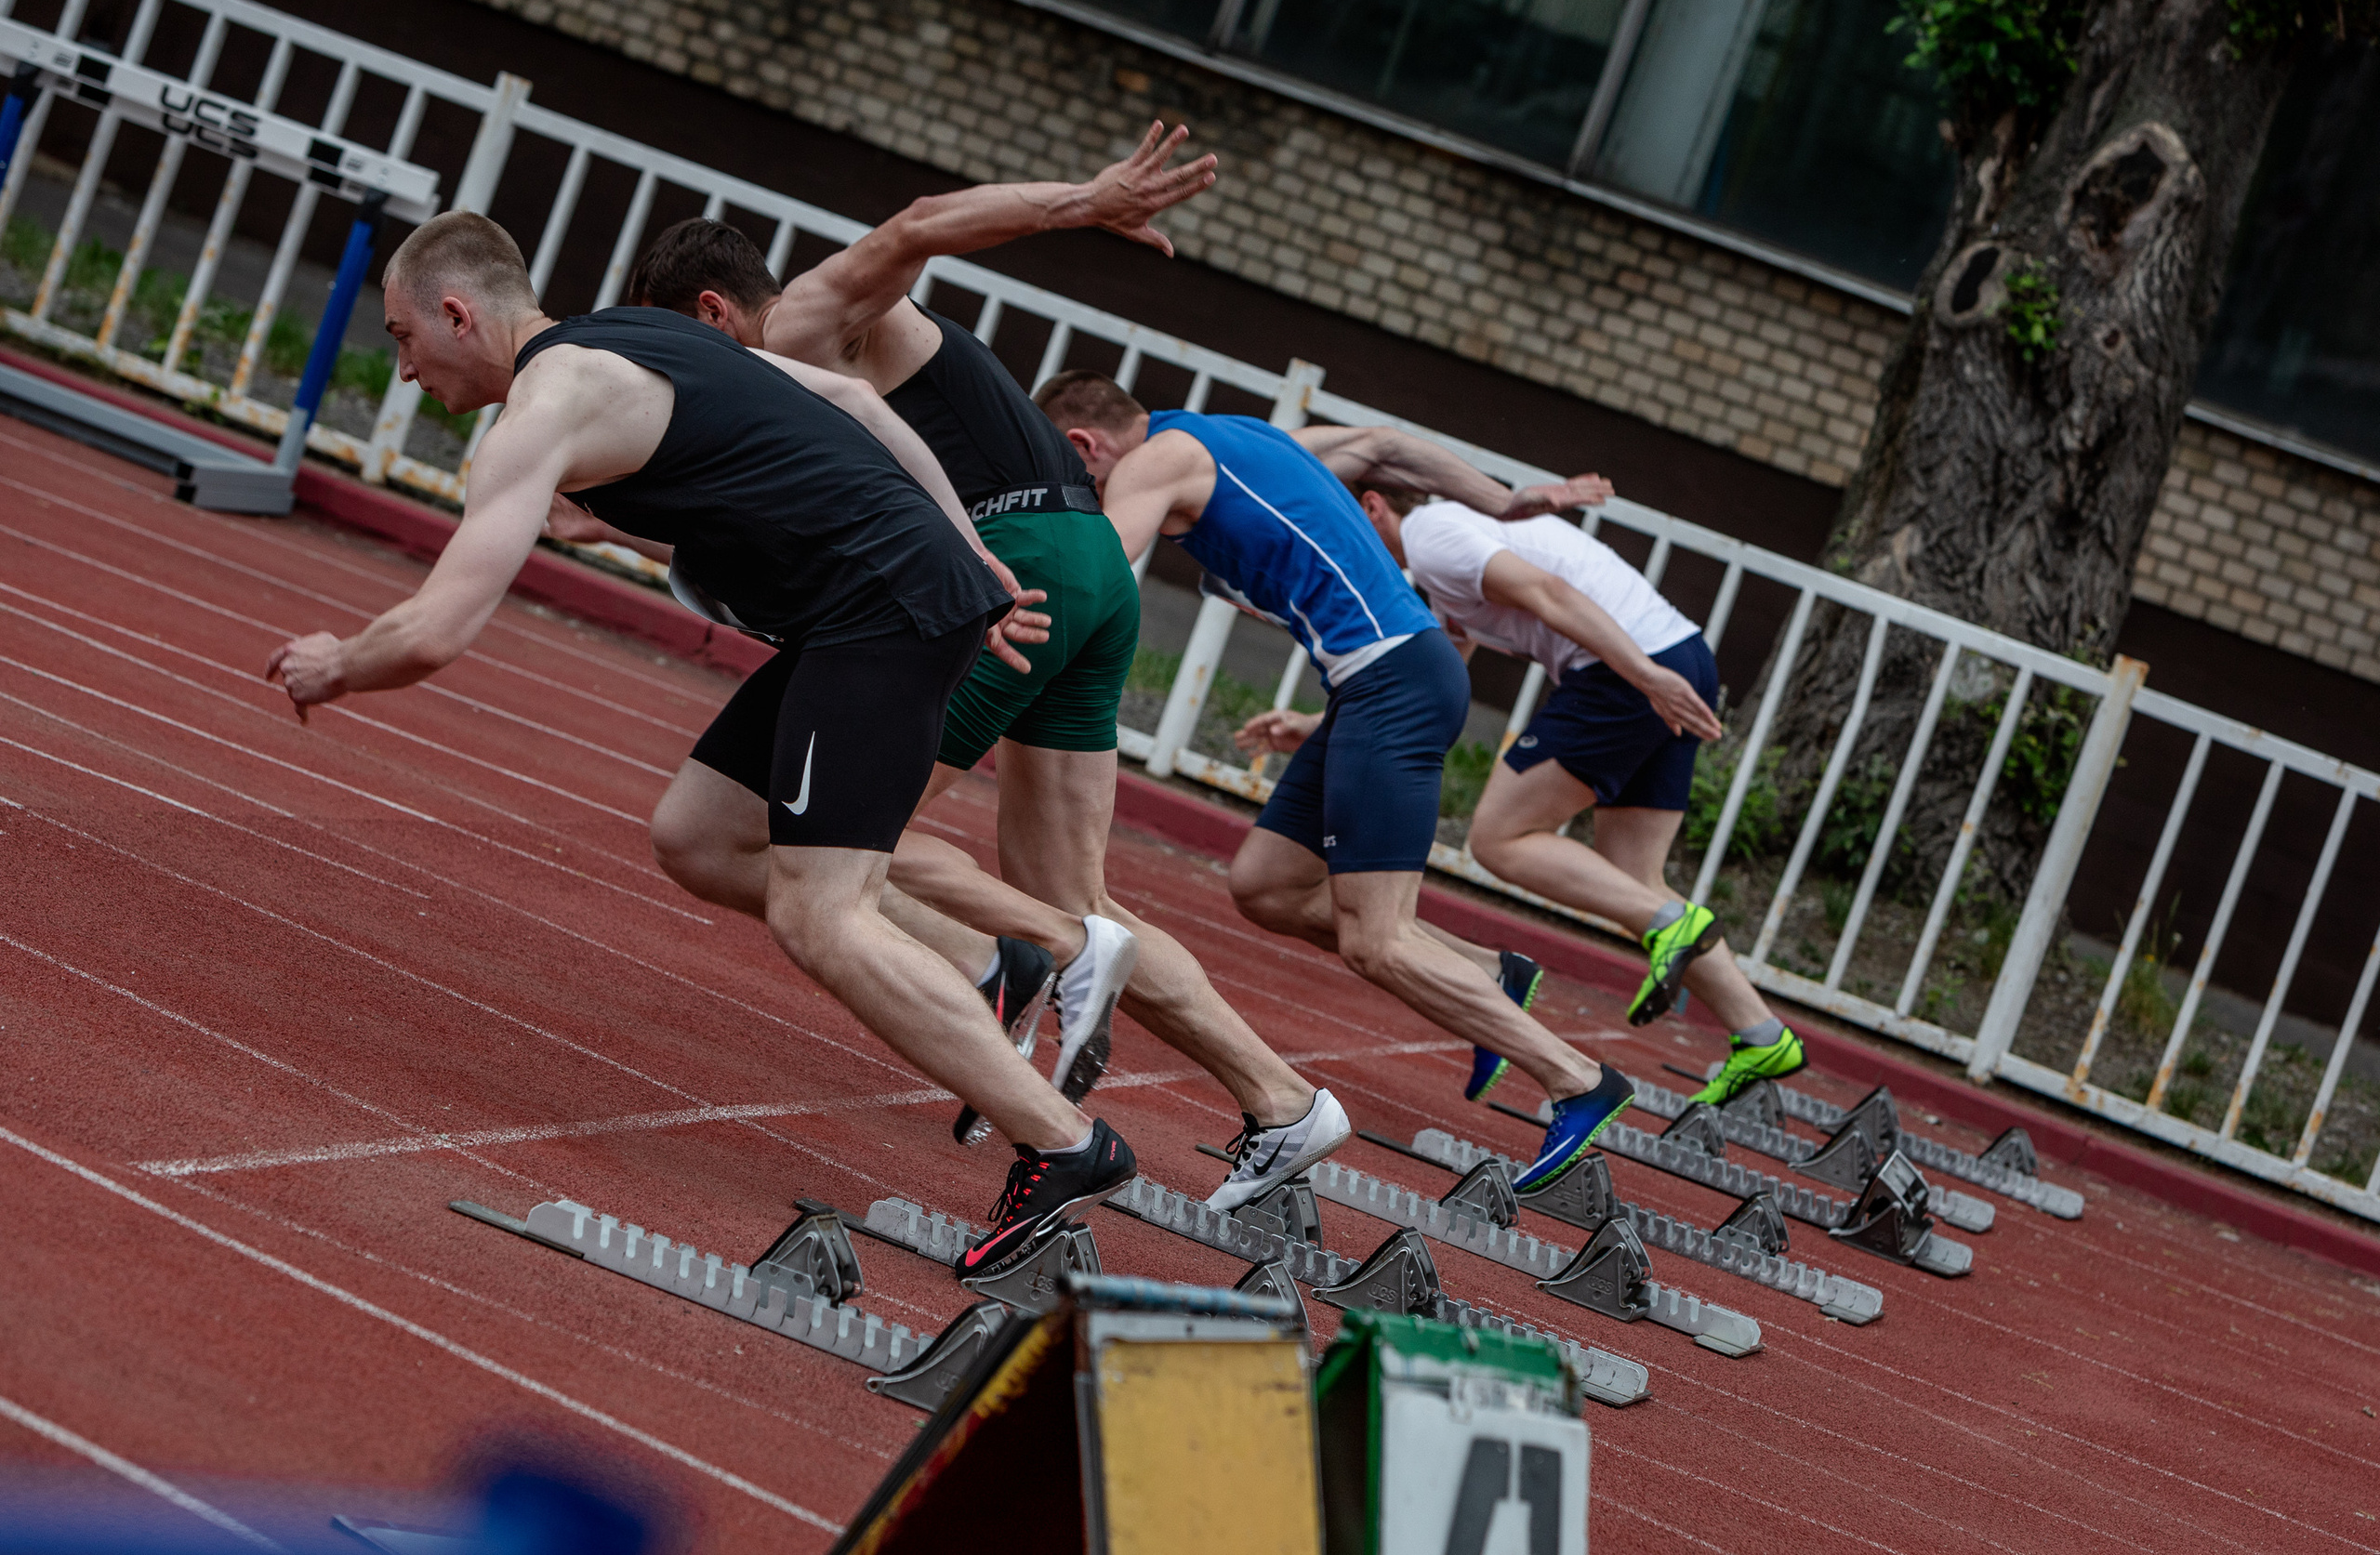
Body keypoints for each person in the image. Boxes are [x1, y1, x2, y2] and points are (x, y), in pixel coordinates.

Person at [264, 211, 1130, 1280]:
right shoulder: (634, 334)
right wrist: (973, 559)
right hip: (876, 606)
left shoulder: (544, 407)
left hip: (880, 617)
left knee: (820, 913)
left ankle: (1065, 1143)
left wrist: (338, 662)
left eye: (402, 337)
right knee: (699, 832)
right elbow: (852, 405)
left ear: (457, 311)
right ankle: (982, 962)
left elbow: (439, 628)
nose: (403, 370)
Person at [580, 125, 1349, 1208]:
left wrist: (1083, 200)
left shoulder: (805, 320)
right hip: (1084, 569)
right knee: (1066, 885)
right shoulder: (781, 389)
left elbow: (916, 226)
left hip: (1009, 569)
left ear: (712, 315)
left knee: (842, 842)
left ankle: (1025, 959)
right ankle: (1281, 1100)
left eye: (679, 353)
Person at [1036, 370, 1636, 1195]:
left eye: (1084, 483)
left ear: (1087, 447)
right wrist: (1502, 501)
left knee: (1377, 938)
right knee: (1267, 884)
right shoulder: (1241, 436)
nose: (1096, 494)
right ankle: (1486, 972)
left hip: (1391, 678)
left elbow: (1094, 577)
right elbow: (1383, 446)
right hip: (1379, 681)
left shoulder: (1154, 460)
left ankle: (1575, 1076)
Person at [1354, 485, 1806, 1105]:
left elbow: (1552, 595)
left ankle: (1671, 924)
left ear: (1375, 505)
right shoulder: (1443, 561)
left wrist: (1644, 678)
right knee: (1628, 876)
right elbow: (1442, 669)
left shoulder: (1432, 534)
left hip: (1630, 667)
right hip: (1677, 651)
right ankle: (1760, 1034)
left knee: (1498, 837)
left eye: (1343, 518)